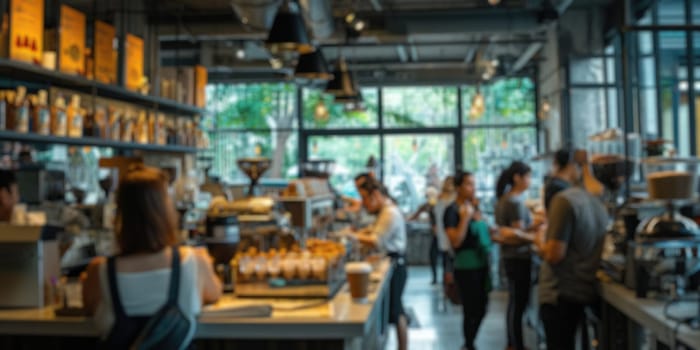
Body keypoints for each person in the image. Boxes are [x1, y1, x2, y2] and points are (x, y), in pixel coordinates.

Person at [82, 165, 222, 348]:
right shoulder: (192, 261)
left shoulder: (98, 270)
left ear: (120, 213)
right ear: (165, 211)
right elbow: (214, 293)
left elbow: (87, 308)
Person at [535, 181, 608, 350]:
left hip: (560, 292)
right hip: (583, 289)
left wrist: (538, 241)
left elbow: (554, 255)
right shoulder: (596, 204)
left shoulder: (563, 202)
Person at [353, 173, 408, 350]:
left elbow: (377, 240)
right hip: (391, 262)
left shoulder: (390, 212)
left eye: (365, 199)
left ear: (375, 194)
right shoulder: (385, 211)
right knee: (394, 310)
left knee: (397, 311)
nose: (365, 204)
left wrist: (352, 236)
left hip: (395, 264)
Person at [494, 161, 542, 350]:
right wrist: (534, 237)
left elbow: (515, 231)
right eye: (528, 176)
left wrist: (532, 226)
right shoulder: (514, 202)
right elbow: (516, 234)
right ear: (517, 178)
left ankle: (512, 342)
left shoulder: (506, 199)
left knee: (515, 301)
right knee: (518, 303)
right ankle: (517, 344)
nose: (530, 181)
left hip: (511, 257)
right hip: (518, 258)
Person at [443, 170, 492, 350]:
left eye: (474, 184)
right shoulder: (452, 211)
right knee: (470, 308)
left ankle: (470, 342)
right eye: (468, 184)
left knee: (483, 307)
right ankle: (469, 344)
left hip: (481, 264)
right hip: (465, 266)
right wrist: (465, 218)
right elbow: (455, 241)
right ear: (458, 187)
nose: (473, 188)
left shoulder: (474, 208)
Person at [408, 186, 439, 284]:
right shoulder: (428, 205)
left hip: (440, 234)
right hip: (436, 233)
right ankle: (435, 278)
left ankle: (439, 278)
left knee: (439, 256)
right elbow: (415, 215)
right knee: (433, 256)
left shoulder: (437, 205)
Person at [433, 177, 455, 282]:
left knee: (446, 269)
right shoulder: (453, 202)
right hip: (452, 241)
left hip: (442, 241)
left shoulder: (439, 201)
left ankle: (447, 291)